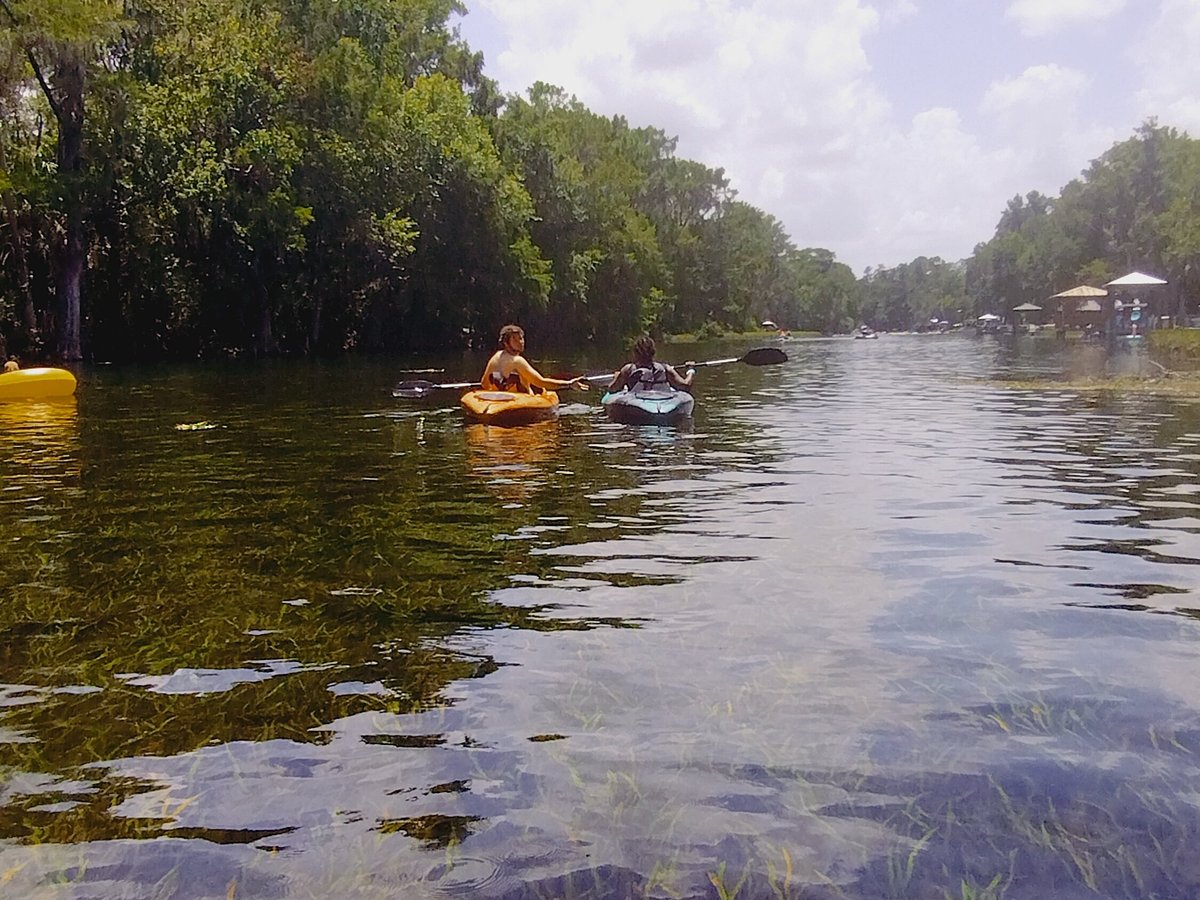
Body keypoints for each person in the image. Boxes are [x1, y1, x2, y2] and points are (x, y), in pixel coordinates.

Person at [480, 324, 591, 394]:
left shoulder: (495, 358)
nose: (521, 342)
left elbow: (484, 383)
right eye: (515, 339)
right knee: (541, 390)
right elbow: (540, 382)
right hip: (519, 402)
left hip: (499, 399)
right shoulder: (517, 361)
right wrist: (569, 384)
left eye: (521, 338)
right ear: (505, 343)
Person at [607, 336, 694, 394]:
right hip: (661, 404)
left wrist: (617, 377)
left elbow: (612, 389)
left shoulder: (628, 370)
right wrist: (690, 370)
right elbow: (685, 386)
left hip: (637, 406)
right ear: (653, 352)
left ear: (635, 353)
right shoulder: (665, 369)